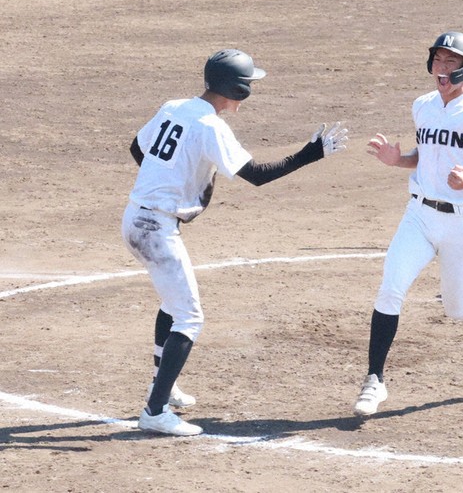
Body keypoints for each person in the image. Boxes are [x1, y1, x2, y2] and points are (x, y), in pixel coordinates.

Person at [122, 49, 348, 436]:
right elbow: (256, 175)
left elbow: (137, 148)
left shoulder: (175, 106)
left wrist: (169, 181)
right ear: (237, 89)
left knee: (172, 304)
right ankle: (155, 411)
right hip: (156, 229)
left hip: (135, 218)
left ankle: (164, 385)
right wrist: (311, 154)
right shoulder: (211, 126)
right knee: (189, 317)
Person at [353, 31, 463, 417]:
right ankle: (374, 380)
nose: (442, 69)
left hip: (462, 221)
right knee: (389, 290)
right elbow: (426, 157)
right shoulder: (423, 106)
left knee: (457, 305)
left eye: (451, 62)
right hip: (419, 216)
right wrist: (399, 160)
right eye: (438, 61)